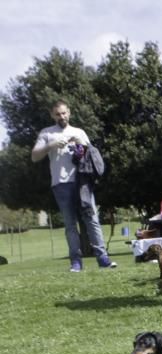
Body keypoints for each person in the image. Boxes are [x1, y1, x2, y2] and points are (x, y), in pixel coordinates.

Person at [31, 100, 116, 272]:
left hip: (82, 182)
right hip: (61, 184)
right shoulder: (47, 133)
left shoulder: (79, 132)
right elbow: (34, 156)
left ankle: (103, 259)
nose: (61, 116)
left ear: (69, 112)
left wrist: (82, 144)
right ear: (52, 115)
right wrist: (51, 145)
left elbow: (92, 155)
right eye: (57, 114)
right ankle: (76, 262)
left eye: (64, 113)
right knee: (70, 224)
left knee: (92, 220)